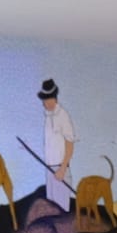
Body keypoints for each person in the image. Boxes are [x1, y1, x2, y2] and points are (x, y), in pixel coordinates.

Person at [39, 80, 77, 211]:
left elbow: (70, 144)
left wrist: (62, 169)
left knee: (61, 212)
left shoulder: (63, 115)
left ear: (54, 99)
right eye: (44, 100)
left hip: (61, 170)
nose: (45, 103)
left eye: (48, 100)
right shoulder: (47, 117)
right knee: (52, 211)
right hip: (49, 170)